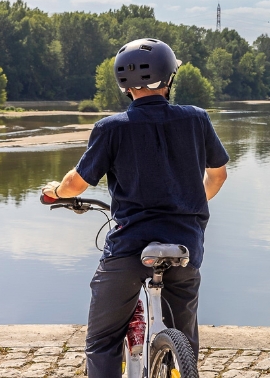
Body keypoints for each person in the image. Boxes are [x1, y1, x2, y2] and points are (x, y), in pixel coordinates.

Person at [40, 39, 229, 378]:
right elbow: (218, 175)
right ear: (169, 78)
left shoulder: (111, 128)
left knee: (103, 340)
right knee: (184, 338)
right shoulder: (197, 119)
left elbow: (76, 184)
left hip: (130, 249)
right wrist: (187, 202)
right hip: (185, 246)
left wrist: (55, 191)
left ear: (124, 85)